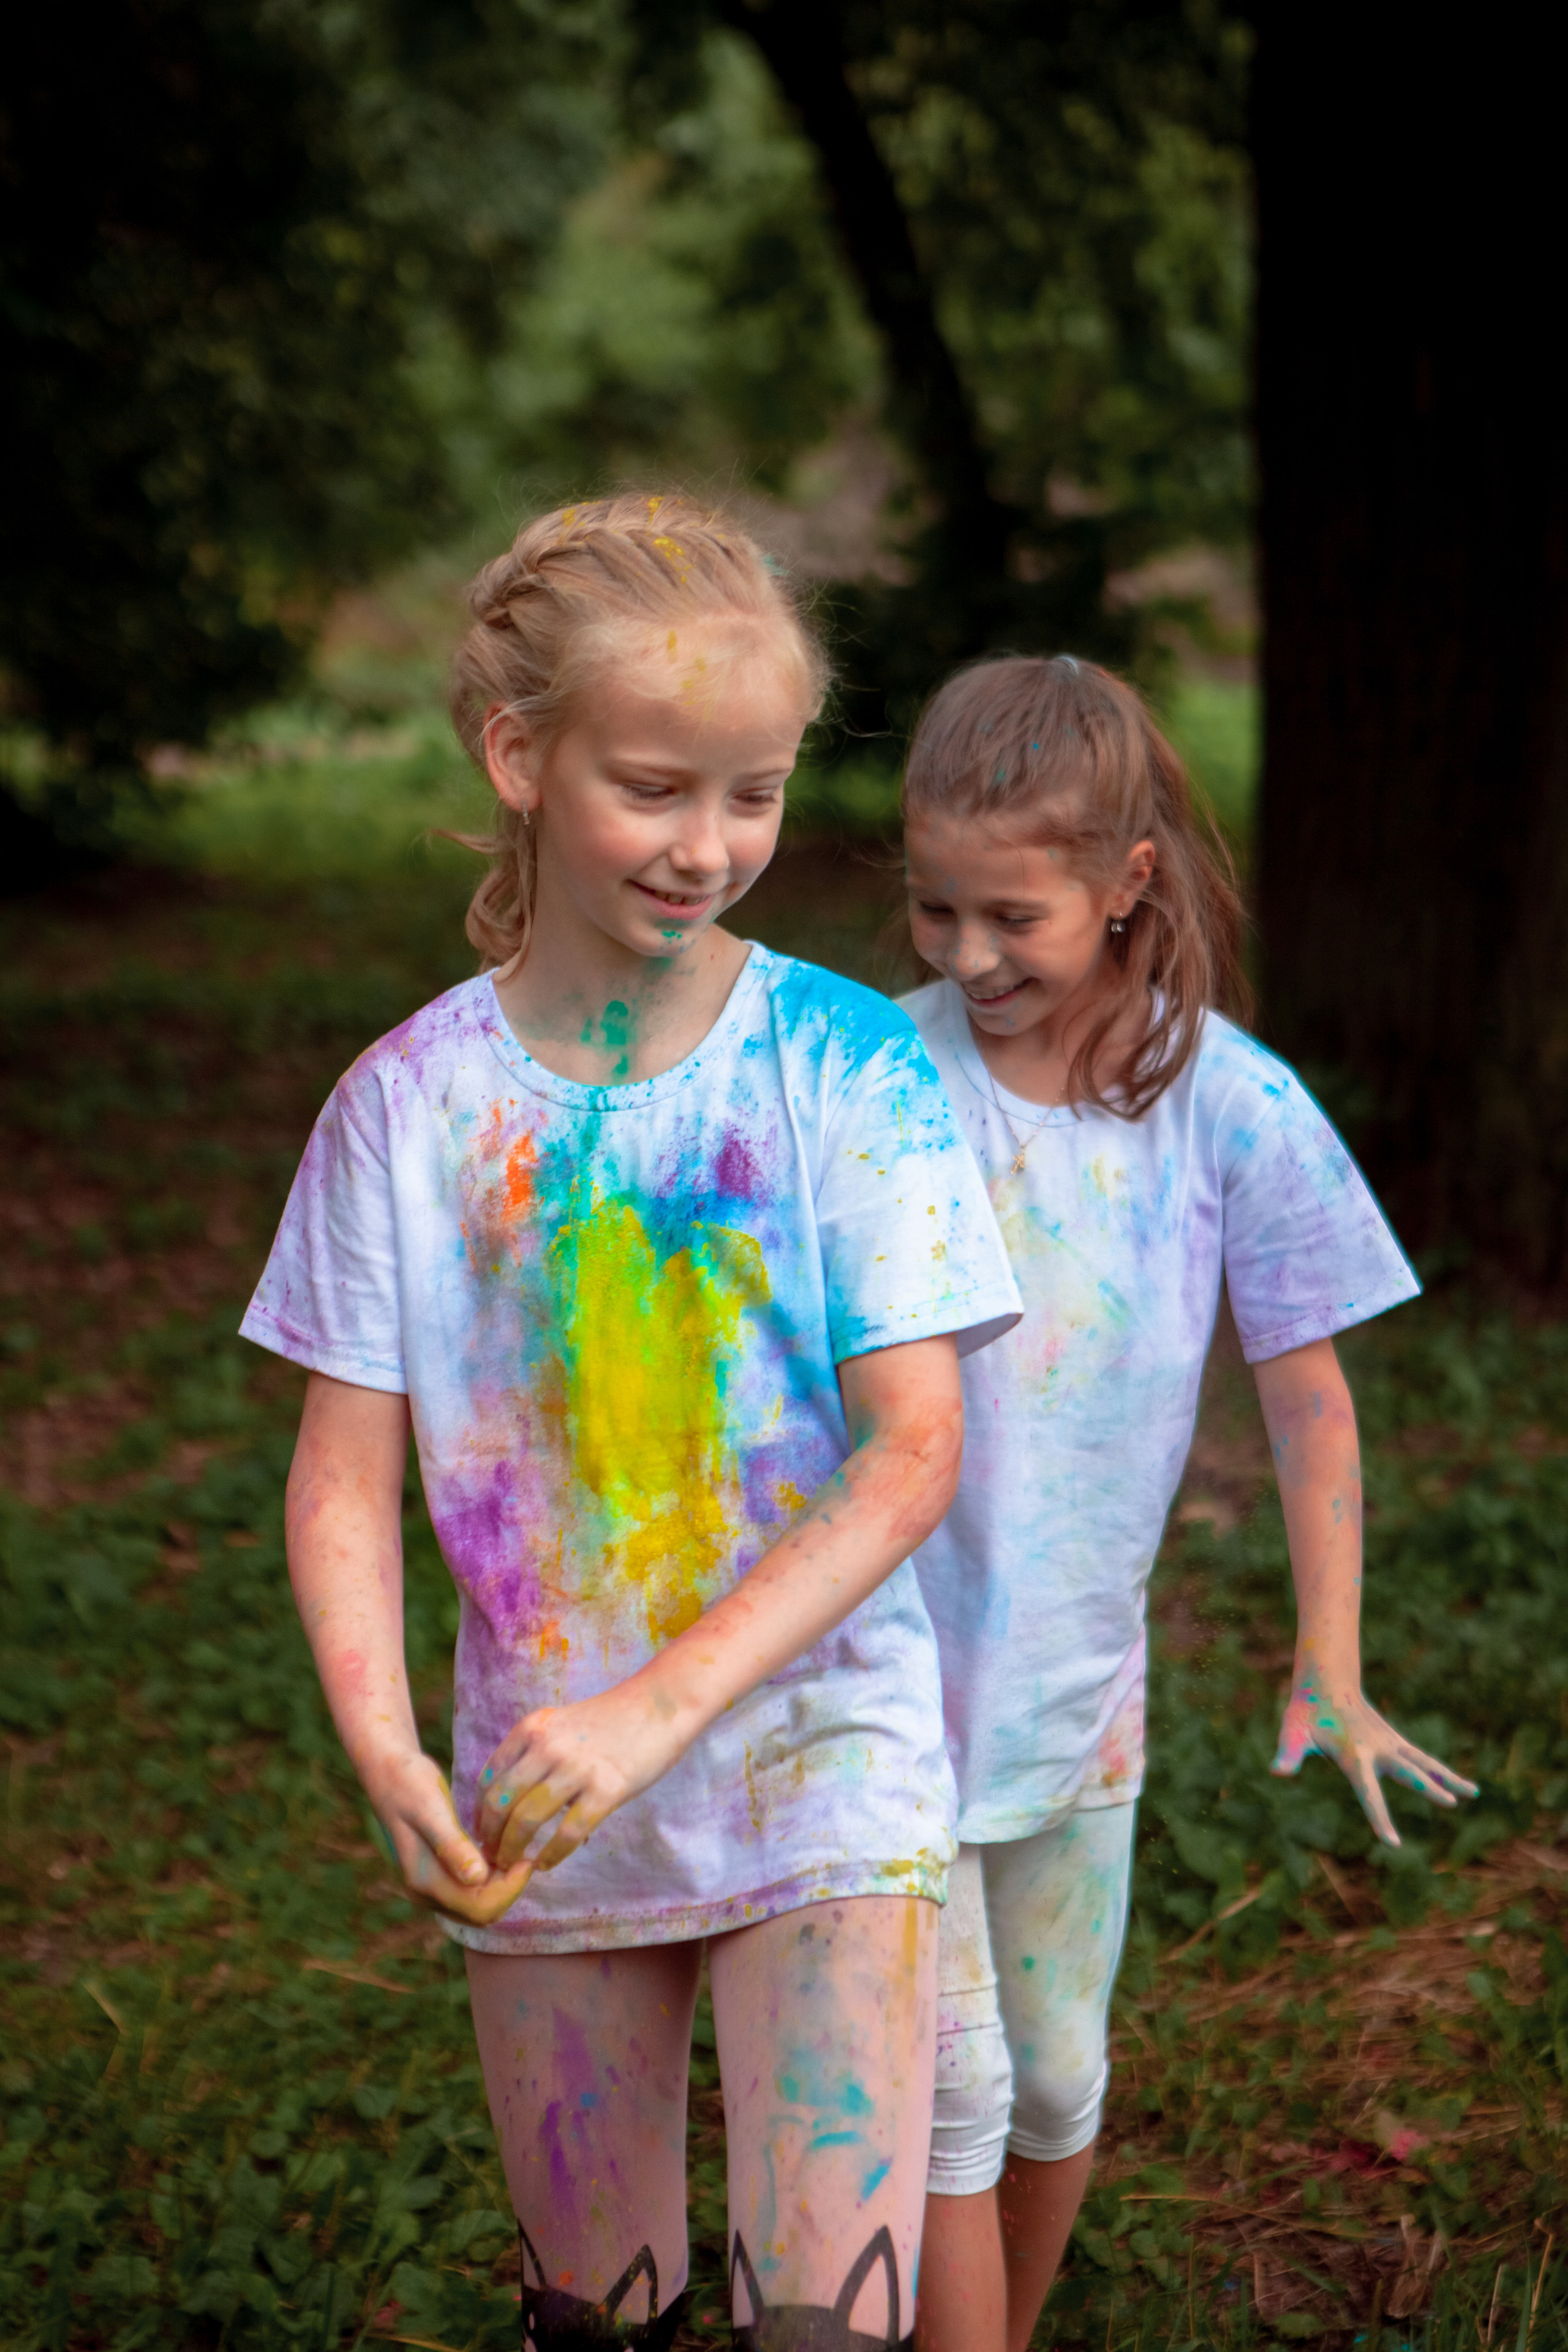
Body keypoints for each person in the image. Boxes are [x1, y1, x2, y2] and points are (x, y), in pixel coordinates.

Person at [241, 496, 1022, 2350]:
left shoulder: (846, 1065)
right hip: (545, 1797)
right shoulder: (406, 1109)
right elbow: (340, 1480)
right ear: (523, 757)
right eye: (659, 788)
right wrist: (383, 1750)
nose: (711, 846)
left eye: (752, 795)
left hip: (822, 1762)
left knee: (829, 2326)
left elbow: (916, 1451)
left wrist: (665, 1702)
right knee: (594, 2321)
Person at [895, 654, 1477, 2352]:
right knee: (955, 2088)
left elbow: (1311, 1400)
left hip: (1080, 1698)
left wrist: (1333, 1656)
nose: (968, 956)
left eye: (1012, 914)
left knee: (1059, 2074)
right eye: (935, 911)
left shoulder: (1234, 1106)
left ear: (1129, 880)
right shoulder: (875, 1074)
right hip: (874, 1680)